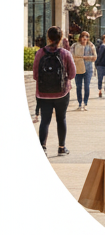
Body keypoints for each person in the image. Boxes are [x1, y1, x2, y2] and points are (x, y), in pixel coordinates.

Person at [33, 25, 75, 157]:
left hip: (43, 93)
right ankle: (61, 148)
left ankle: (42, 148)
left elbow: (35, 75)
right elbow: (72, 74)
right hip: (62, 93)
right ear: (61, 38)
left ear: (48, 37)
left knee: (45, 120)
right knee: (61, 119)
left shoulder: (40, 53)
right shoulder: (65, 53)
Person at [72, 32, 97, 110]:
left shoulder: (91, 46)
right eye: (83, 36)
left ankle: (85, 103)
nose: (85, 38)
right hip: (78, 68)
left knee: (87, 86)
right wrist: (86, 57)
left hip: (88, 69)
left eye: (86, 36)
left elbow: (95, 57)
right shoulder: (75, 46)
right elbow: (72, 56)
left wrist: (83, 57)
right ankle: (80, 103)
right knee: (78, 86)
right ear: (80, 37)